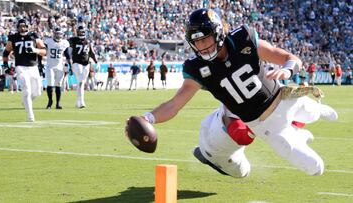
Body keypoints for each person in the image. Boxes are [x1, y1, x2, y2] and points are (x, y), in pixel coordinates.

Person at [127, 9, 338, 177]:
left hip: (283, 98)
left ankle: (307, 121)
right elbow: (174, 104)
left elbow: (289, 58)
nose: (201, 45)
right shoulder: (197, 68)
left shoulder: (244, 39)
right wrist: (149, 118)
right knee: (315, 167)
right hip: (262, 123)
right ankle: (294, 133)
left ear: (218, 33)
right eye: (196, 41)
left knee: (316, 112)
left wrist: (287, 69)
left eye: (205, 38)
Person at [2, 18, 46, 122]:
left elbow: (45, 51)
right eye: (21, 26)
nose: (23, 28)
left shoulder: (34, 36)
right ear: (18, 27)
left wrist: (35, 50)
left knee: (38, 92)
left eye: (24, 26)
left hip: (33, 67)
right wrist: (5, 66)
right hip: (20, 67)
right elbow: (6, 52)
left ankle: (26, 101)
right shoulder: (13, 37)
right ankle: (30, 116)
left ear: (27, 27)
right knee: (26, 88)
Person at [68, 25, 99, 108]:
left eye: (82, 31)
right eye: (80, 31)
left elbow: (91, 53)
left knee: (81, 83)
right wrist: (69, 62)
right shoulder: (73, 40)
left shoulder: (87, 41)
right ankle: (81, 102)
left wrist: (97, 62)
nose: (81, 33)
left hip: (86, 63)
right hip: (77, 63)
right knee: (81, 82)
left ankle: (78, 102)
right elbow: (68, 52)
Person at [44, 26, 71, 109]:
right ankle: (50, 101)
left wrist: (70, 65)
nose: (58, 36)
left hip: (59, 67)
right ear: (54, 34)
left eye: (60, 34)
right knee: (50, 84)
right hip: (50, 66)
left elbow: (68, 55)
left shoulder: (65, 43)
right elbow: (42, 51)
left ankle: (58, 103)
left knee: (58, 85)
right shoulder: (48, 41)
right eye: (57, 34)